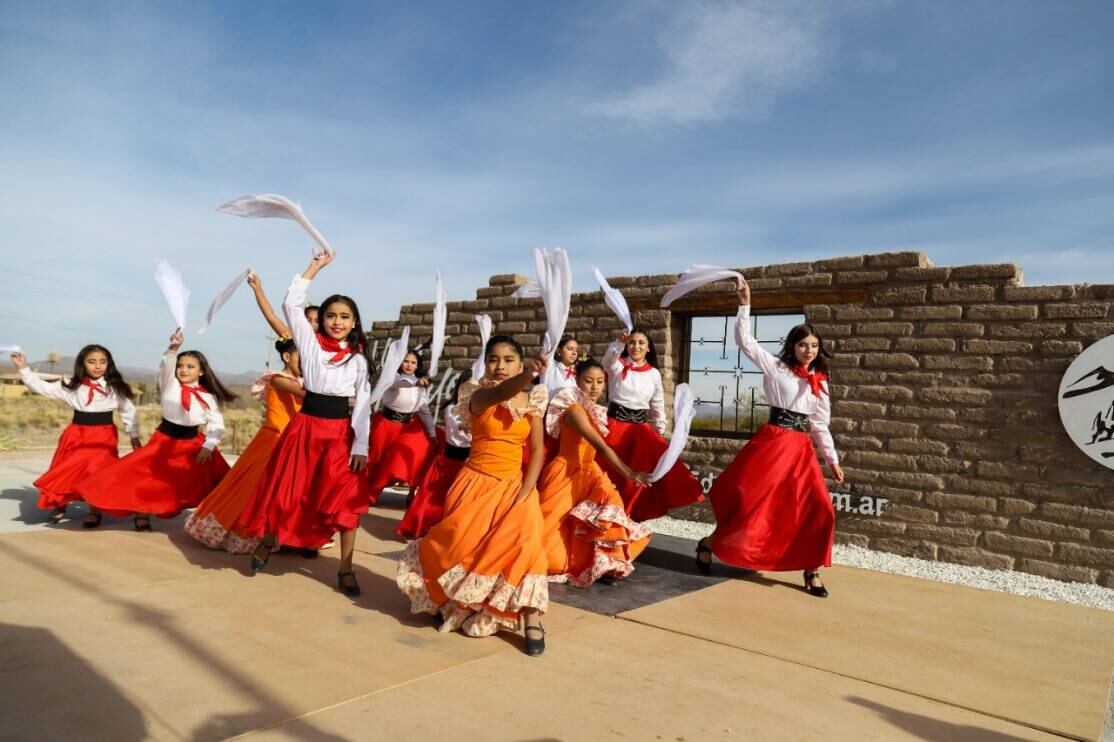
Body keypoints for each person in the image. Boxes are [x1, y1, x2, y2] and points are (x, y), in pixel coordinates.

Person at [397, 335, 550, 656]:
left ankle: (532, 617)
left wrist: (528, 487)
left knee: (527, 543)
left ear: (520, 363)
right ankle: (464, 602)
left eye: (509, 360)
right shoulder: (478, 395)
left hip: (516, 486)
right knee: (463, 549)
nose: (500, 366)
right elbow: (500, 392)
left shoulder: (534, 399)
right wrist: (526, 376)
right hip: (475, 485)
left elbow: (536, 450)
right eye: (494, 359)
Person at [696, 278, 844, 598]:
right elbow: (745, 341)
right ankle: (709, 543)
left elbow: (820, 424)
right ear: (792, 346)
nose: (809, 351)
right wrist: (745, 303)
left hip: (800, 449)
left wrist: (831, 459)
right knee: (752, 506)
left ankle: (812, 569)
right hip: (774, 443)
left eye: (814, 346)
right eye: (803, 345)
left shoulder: (819, 380)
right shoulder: (775, 367)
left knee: (819, 508)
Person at [238, 253, 372, 598]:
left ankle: (346, 568)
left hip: (341, 435)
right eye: (331, 315)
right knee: (287, 491)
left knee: (346, 501)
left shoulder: (358, 359)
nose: (337, 321)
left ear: (354, 321)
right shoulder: (309, 344)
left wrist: (360, 445)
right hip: (306, 428)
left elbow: (364, 404)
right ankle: (268, 540)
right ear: (322, 320)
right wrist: (315, 268)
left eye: (344, 316)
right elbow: (290, 303)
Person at [75, 330, 233, 530]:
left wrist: (209, 446)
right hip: (164, 441)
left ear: (201, 371)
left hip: (193, 445)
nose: (184, 370)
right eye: (181, 366)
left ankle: (216, 518)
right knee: (147, 477)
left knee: (213, 481)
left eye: (190, 367)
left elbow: (217, 424)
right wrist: (173, 348)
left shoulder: (208, 398)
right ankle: (140, 513)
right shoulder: (170, 384)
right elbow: (166, 365)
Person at [538, 358, 652, 587]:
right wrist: (629, 472)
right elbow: (600, 445)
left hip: (590, 471)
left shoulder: (591, 411)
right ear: (577, 381)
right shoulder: (574, 411)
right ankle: (549, 562)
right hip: (567, 473)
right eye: (588, 381)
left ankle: (606, 563)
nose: (595, 387)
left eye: (600, 382)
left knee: (611, 507)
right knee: (553, 529)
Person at [184, 336, 303, 553]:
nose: (306, 363)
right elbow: (310, 397)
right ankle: (243, 532)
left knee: (282, 491)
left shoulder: (302, 382)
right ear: (287, 356)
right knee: (252, 487)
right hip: (273, 440)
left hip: (293, 442)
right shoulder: (277, 378)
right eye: (301, 357)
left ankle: (279, 534)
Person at [10, 346, 140, 527]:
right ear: (82, 363)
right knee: (67, 469)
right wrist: (23, 368)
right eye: (92, 361)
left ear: (108, 364)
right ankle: (60, 503)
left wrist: (133, 435)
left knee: (98, 472)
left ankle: (94, 510)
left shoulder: (115, 387)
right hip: (77, 434)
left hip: (103, 436)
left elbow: (128, 410)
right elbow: (43, 388)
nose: (97, 366)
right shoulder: (71, 384)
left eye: (103, 362)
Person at [598, 329, 704, 521]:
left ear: (648, 348)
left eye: (641, 343)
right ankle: (604, 520)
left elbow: (657, 402)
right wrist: (618, 344)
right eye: (632, 343)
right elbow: (607, 362)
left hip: (640, 431)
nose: (636, 346)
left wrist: (660, 427)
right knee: (609, 474)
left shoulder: (654, 373)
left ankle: (627, 521)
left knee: (637, 483)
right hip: (614, 426)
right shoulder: (618, 366)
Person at [396, 370, 471, 539]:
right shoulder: (453, 409)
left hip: (471, 463)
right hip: (453, 461)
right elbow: (462, 432)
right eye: (469, 386)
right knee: (436, 503)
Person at [366, 349, 436, 504]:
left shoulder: (419, 383)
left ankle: (413, 491)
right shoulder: (392, 377)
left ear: (417, 366)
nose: (409, 365)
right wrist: (417, 383)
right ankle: (369, 491)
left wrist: (432, 433)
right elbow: (401, 383)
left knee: (422, 450)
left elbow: (423, 409)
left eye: (413, 362)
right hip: (387, 424)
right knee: (377, 459)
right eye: (406, 361)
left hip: (410, 427)